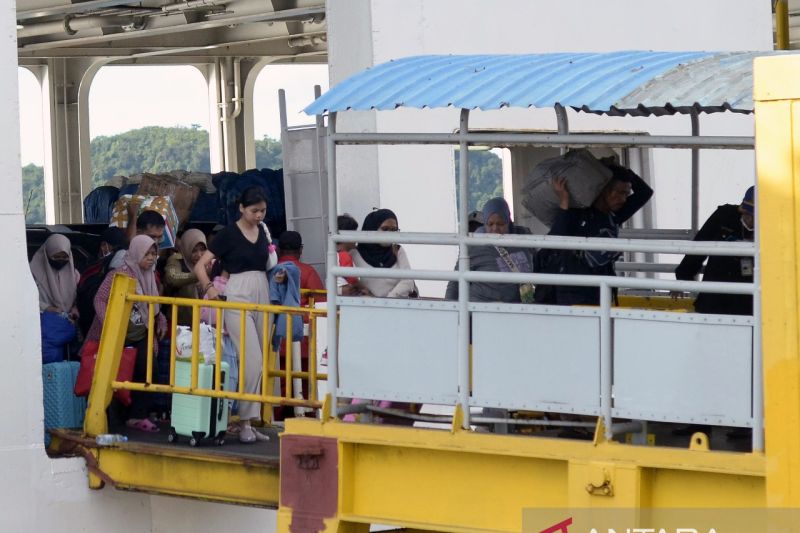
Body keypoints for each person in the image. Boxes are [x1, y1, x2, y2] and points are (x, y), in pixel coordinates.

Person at [194, 186, 280, 444]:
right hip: (237, 291)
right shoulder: (228, 234)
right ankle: (244, 422)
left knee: (259, 359)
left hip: (262, 289)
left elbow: (268, 264)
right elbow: (200, 265)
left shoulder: (263, 231)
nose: (259, 215)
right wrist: (209, 289)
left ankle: (249, 422)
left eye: (263, 211)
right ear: (241, 208)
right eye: (254, 211)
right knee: (251, 359)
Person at [535, 163, 653, 305]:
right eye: (619, 193)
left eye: (626, 194)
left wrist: (624, 172)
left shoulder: (614, 215)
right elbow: (556, 238)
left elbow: (645, 193)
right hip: (570, 293)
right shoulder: (578, 213)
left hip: (599, 291)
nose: (623, 199)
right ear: (603, 189)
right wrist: (564, 202)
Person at [88, 235, 167, 432]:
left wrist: (161, 319)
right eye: (146, 254)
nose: (150, 258)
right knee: (119, 372)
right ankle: (117, 418)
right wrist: (112, 322)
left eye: (153, 254)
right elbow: (99, 299)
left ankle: (138, 416)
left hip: (140, 333)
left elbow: (153, 304)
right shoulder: (120, 274)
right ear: (136, 253)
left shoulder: (149, 275)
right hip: (119, 334)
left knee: (148, 369)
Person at [674, 186, 755, 315]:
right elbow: (699, 246)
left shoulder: (773, 229)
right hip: (713, 296)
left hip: (748, 302)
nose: (750, 220)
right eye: (747, 213)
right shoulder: (724, 215)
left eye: (755, 216)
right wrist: (682, 278)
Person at [445, 197, 534, 302]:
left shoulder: (524, 240)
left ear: (508, 222)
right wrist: (450, 310)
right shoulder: (475, 245)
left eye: (500, 224)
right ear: (485, 224)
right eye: (490, 224)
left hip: (515, 310)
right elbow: (455, 282)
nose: (495, 228)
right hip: (481, 310)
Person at [31, 234, 81, 362]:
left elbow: (78, 298)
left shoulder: (74, 275)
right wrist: (47, 308)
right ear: (47, 254)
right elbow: (26, 300)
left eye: (64, 257)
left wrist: (74, 311)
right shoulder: (31, 274)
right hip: (42, 331)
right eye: (56, 257)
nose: (60, 260)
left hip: (67, 329)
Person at [350, 209, 418, 298]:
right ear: (372, 228)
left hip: (398, 306)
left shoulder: (397, 250)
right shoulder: (355, 254)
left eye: (394, 230)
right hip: (369, 307)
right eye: (385, 229)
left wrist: (388, 300)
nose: (389, 234)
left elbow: (408, 281)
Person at [164, 229, 209, 325]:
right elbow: (173, 278)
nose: (199, 255)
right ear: (186, 248)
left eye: (202, 249)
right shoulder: (176, 260)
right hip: (179, 323)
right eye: (194, 250)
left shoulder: (209, 263)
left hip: (203, 323)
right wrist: (200, 274)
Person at [277, 230, 325, 306]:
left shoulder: (270, 271)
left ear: (278, 250)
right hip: (301, 316)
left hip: (272, 317)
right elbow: (321, 302)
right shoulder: (308, 271)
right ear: (301, 249)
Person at [336, 214, 362, 295]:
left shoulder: (335, 254)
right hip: (346, 297)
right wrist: (363, 287)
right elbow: (351, 277)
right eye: (354, 234)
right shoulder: (344, 255)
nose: (356, 238)